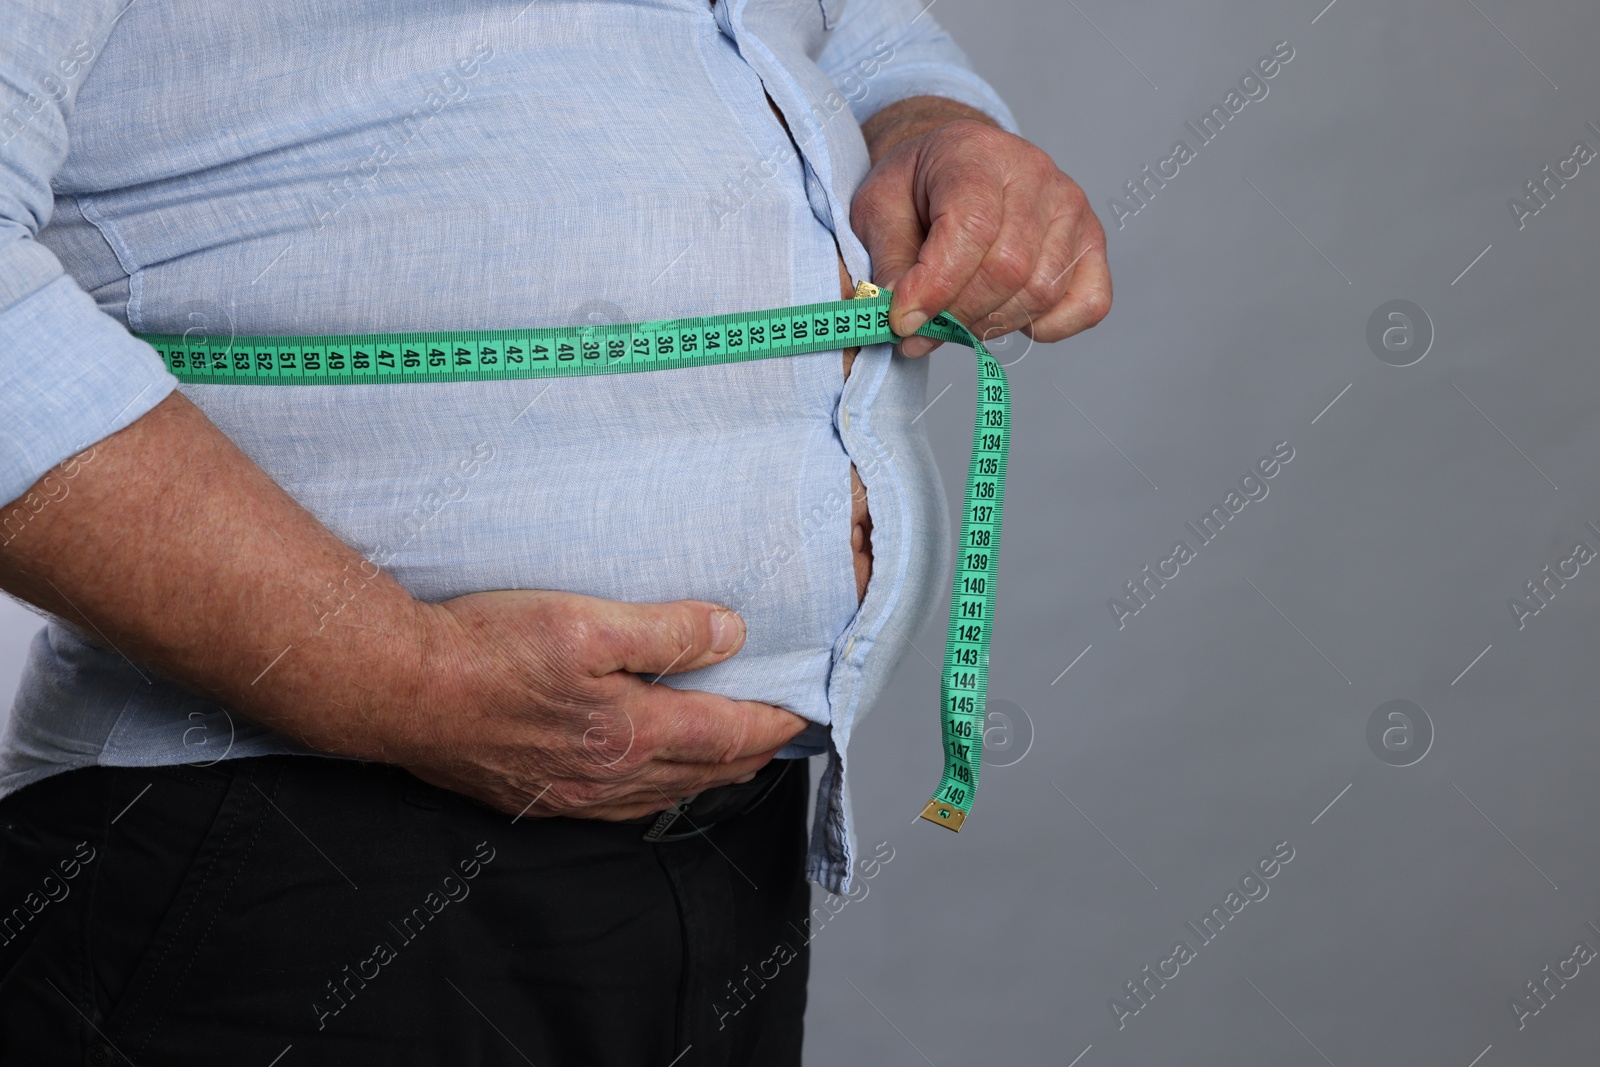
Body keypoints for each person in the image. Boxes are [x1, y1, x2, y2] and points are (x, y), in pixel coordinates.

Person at [0, 0, 1109, 1062]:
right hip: (282, 853)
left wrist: (928, 124)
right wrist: (405, 674)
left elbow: (828, 22)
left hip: (715, 852)